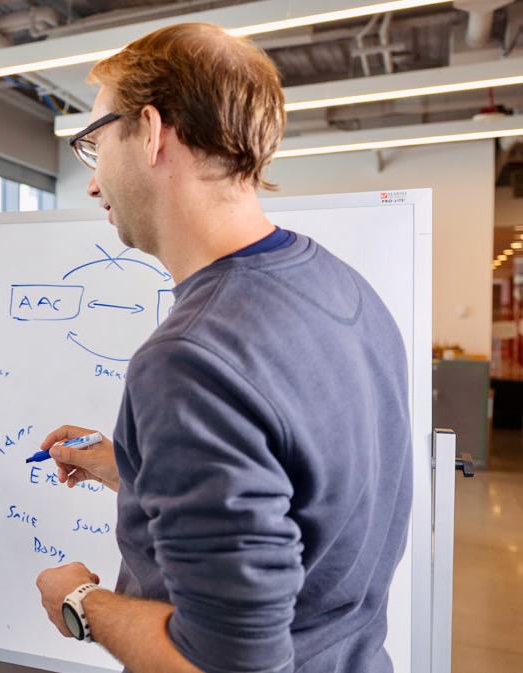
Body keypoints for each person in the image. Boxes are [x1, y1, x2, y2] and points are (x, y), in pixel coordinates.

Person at [33, 23, 411, 673]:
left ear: (150, 132)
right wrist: (139, 467)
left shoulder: (191, 359)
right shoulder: (346, 290)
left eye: (94, 144)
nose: (93, 185)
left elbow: (224, 663)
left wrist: (80, 598)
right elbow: (300, 496)